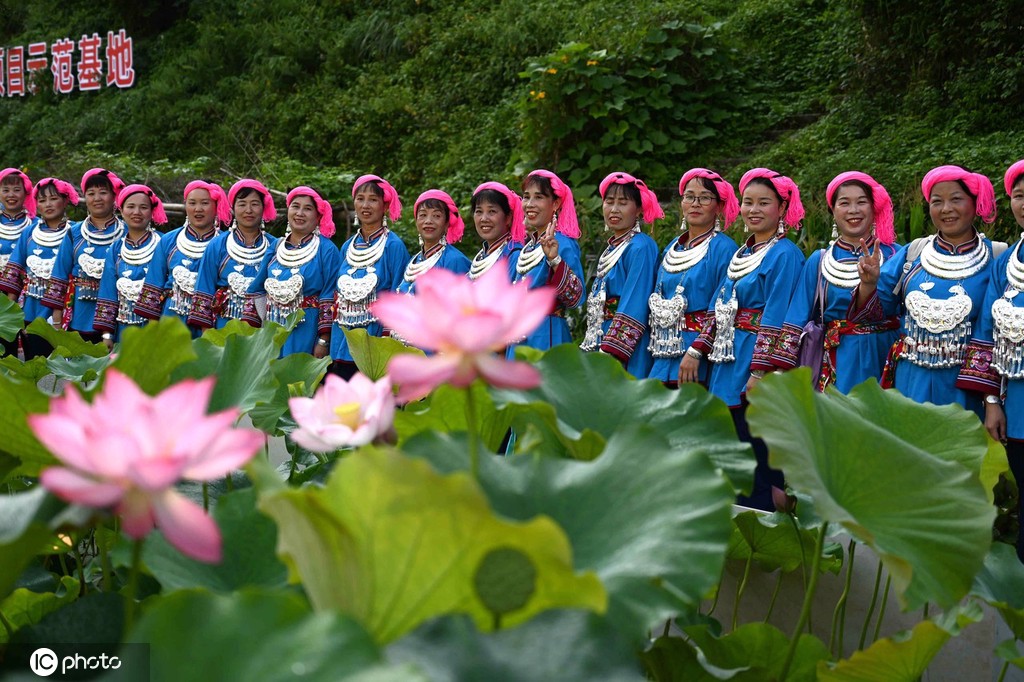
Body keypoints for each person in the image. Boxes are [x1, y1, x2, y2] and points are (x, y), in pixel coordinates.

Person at [690, 168, 806, 510]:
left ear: (782, 209)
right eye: (748, 202)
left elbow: (776, 315)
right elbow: (719, 304)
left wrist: (760, 371)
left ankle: (768, 528)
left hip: (753, 362)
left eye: (764, 203)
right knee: (731, 448)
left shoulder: (785, 254)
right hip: (726, 359)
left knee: (756, 452)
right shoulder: (742, 252)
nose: (753, 210)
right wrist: (697, 350)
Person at [857, 165, 1000, 417]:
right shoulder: (913, 253)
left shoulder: (997, 257)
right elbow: (875, 316)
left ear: (975, 203)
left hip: (967, 387)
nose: (946, 209)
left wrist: (990, 398)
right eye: (937, 202)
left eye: (956, 199)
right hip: (911, 381)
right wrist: (868, 284)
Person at [772, 171, 901, 391]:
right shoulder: (820, 260)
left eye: (862, 202)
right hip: (837, 360)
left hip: (886, 356)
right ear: (833, 211)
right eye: (844, 203)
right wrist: (780, 369)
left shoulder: (895, 255)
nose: (853, 210)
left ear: (873, 208)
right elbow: (798, 314)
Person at [957, 159, 1024, 562]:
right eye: (1019, 195)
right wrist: (993, 402)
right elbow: (986, 333)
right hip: (1017, 406)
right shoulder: (1006, 262)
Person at [651, 168, 738, 387]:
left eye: (705, 198)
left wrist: (698, 349)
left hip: (698, 355)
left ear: (719, 206)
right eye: (689, 197)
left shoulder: (724, 248)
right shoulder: (673, 247)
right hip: (662, 350)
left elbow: (723, 304)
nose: (695, 203)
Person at [242, 186, 341, 357]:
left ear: (318, 216)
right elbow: (257, 288)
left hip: (307, 331)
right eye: (295, 206)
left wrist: (323, 341)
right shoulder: (276, 246)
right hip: (273, 330)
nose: (300, 213)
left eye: (308, 208)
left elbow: (330, 295)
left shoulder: (327, 250)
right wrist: (251, 335)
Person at [329, 174, 410, 379]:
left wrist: (387, 342)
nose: (366, 205)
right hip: (342, 340)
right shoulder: (347, 246)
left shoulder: (393, 246)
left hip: (374, 341)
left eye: (373, 199)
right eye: (360, 198)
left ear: (384, 206)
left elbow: (398, 295)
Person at [580, 172, 660, 377]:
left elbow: (635, 301)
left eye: (623, 203)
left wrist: (612, 351)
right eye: (609, 202)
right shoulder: (613, 247)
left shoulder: (641, 247)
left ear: (639, 209)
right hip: (601, 334)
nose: (614, 209)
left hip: (625, 346)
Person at [43, 168, 126, 341]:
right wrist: (57, 323)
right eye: (91, 193)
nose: (97, 198)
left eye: (103, 193)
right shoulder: (74, 234)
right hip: (79, 318)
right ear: (85, 198)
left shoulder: (128, 233)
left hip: (121, 319)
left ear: (114, 196)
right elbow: (59, 277)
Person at [509, 169, 584, 355]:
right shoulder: (528, 246)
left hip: (545, 334)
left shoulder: (563, 243)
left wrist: (555, 260)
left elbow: (576, 298)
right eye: (526, 197)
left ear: (556, 203)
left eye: (539, 197)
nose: (530, 204)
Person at [135, 180, 230, 328]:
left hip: (211, 325)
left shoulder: (226, 244)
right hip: (172, 320)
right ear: (185, 205)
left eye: (205, 203)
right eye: (192, 203)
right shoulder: (168, 241)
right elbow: (154, 284)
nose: (198, 209)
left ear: (216, 206)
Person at [187, 179, 278, 331]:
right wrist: (209, 337)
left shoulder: (275, 246)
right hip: (224, 327)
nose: (248, 210)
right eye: (242, 204)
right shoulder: (217, 245)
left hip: (262, 330)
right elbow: (205, 289)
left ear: (263, 208)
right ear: (233, 208)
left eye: (255, 204)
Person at [0, 177, 76, 359]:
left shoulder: (76, 232)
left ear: (65, 200)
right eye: (42, 200)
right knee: (32, 363)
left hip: (62, 310)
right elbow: (13, 276)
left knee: (62, 369)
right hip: (30, 307)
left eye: (53, 198)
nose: (48, 204)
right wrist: (8, 315)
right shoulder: (29, 232)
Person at [94, 185, 167, 347]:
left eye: (143, 207)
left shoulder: (164, 243)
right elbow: (108, 291)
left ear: (152, 211)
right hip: (123, 329)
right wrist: (106, 334)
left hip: (157, 329)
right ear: (121, 210)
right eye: (131, 207)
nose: (137, 212)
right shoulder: (115, 249)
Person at [395, 189, 471, 296]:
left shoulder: (455, 260)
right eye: (423, 215)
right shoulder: (414, 261)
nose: (428, 221)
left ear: (446, 224)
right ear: (416, 221)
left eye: (436, 216)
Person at [0, 168, 36, 357]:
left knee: (33, 348)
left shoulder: (37, 226)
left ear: (26, 193)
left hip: (28, 293)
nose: (11, 195)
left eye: (16, 189)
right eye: (5, 190)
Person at [468, 181, 524, 282]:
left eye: (492, 211)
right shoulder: (482, 256)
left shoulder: (515, 256)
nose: (484, 219)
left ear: (508, 217)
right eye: (479, 212)